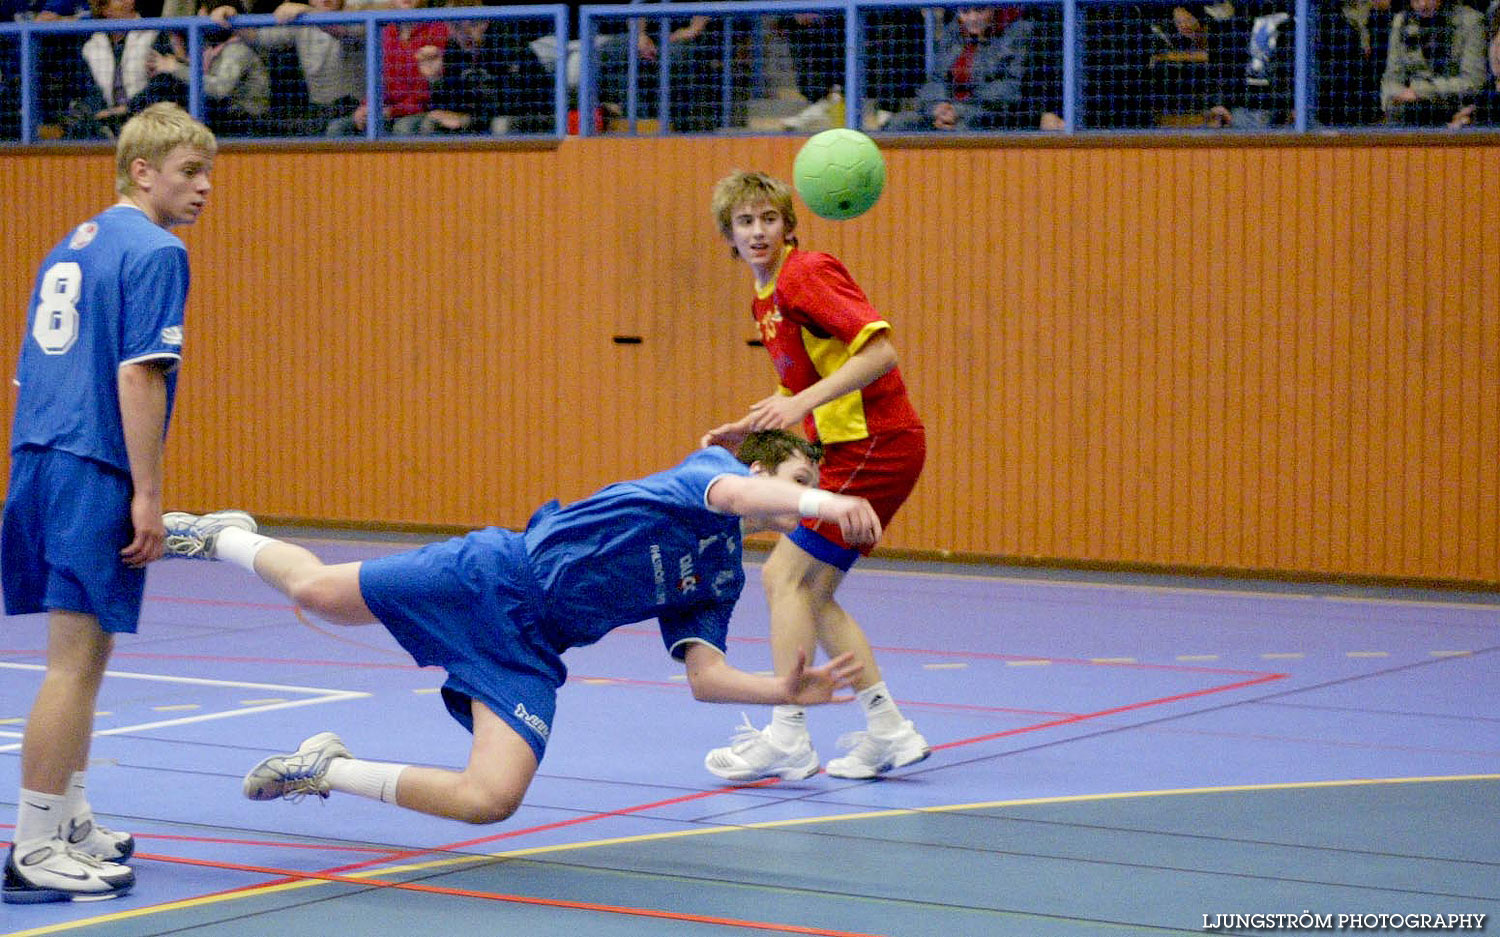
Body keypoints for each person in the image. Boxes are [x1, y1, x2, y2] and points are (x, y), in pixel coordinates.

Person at [162, 431, 873, 823]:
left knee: (490, 798)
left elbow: (706, 678)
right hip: (493, 573)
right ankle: (217, 536)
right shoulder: (709, 475)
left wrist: (779, 688)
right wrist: (826, 498)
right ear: (764, 466)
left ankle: (327, 768)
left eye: (810, 481)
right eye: (799, 472)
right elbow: (744, 491)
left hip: (531, 648)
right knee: (318, 591)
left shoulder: (721, 577)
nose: (804, 491)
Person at [2, 102, 219, 905]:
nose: (203, 189)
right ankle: (32, 843)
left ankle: (69, 817)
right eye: (190, 172)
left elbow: (26, 375)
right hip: (91, 465)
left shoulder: (72, 244)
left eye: (207, 174)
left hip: (39, 454)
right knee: (73, 662)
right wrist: (148, 494)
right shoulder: (158, 249)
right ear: (142, 171)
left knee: (86, 662)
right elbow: (139, 374)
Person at [700, 171, 929, 782]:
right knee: (812, 591)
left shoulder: (806, 273)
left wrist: (798, 409)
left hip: (875, 441)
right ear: (729, 233)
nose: (757, 232)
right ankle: (889, 730)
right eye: (744, 222)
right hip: (858, 445)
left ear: (787, 225)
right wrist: (746, 430)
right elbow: (795, 387)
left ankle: (788, 735)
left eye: (768, 219)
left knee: (782, 578)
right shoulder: (767, 297)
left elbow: (880, 351)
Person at [886, 5, 1058, 132]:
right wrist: (937, 108)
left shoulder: (1019, 32)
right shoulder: (953, 31)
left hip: (993, 114)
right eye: (965, 12)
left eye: (980, 10)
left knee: (962, 128)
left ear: (994, 8)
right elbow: (936, 79)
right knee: (898, 124)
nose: (973, 18)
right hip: (948, 111)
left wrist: (959, 109)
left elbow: (1012, 88)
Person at [208, 0, 365, 137]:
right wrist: (231, 18)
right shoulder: (301, 24)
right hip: (318, 111)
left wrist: (309, 12)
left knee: (334, 129)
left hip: (355, 109)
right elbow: (258, 38)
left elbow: (342, 30)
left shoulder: (356, 16)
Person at [1380, 0, 1486, 126]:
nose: (1423, 4)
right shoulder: (1401, 21)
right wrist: (1395, 95)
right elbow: (1391, 78)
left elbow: (1473, 82)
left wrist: (1421, 91)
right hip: (1410, 110)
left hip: (1454, 109)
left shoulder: (1471, 21)